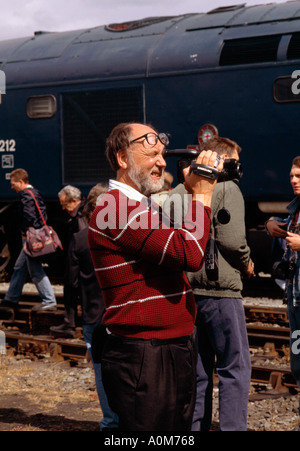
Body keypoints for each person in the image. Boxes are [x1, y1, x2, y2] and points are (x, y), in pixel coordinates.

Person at [88, 122, 223, 431]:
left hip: (167, 347)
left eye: (163, 155)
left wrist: (192, 195)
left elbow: (185, 243)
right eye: (151, 154)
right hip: (145, 353)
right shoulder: (115, 208)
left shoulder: (140, 207)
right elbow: (188, 253)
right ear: (123, 159)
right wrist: (201, 196)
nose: (162, 162)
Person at [166, 137, 254, 431]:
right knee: (234, 368)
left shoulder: (177, 191)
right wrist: (247, 262)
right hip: (222, 291)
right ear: (222, 159)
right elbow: (231, 239)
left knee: (199, 370)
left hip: (189, 293)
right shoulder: (227, 187)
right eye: (235, 160)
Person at [67, 183, 119, 431]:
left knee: (101, 372)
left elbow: (72, 283)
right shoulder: (122, 236)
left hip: (92, 316)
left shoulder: (78, 240)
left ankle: (110, 423)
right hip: (120, 312)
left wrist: (70, 318)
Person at [265, 156, 300, 413]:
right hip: (295, 298)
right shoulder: (295, 209)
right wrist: (270, 225)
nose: (293, 180)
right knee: (298, 363)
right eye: (291, 175)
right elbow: (283, 223)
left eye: (299, 176)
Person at [0, 169, 57, 311]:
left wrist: (27, 233)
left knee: (35, 270)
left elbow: (29, 216)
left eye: (13, 184)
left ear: (21, 181)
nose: (12, 187)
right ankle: (11, 298)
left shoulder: (26, 195)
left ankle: (49, 300)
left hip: (30, 238)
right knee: (19, 268)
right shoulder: (35, 193)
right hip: (35, 235)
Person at [50, 185, 86, 338]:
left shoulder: (81, 216)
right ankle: (71, 322)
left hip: (80, 263)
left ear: (73, 200)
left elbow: (83, 241)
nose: (63, 208)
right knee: (72, 290)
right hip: (77, 262)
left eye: (64, 204)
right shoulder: (79, 213)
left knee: (76, 290)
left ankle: (73, 323)